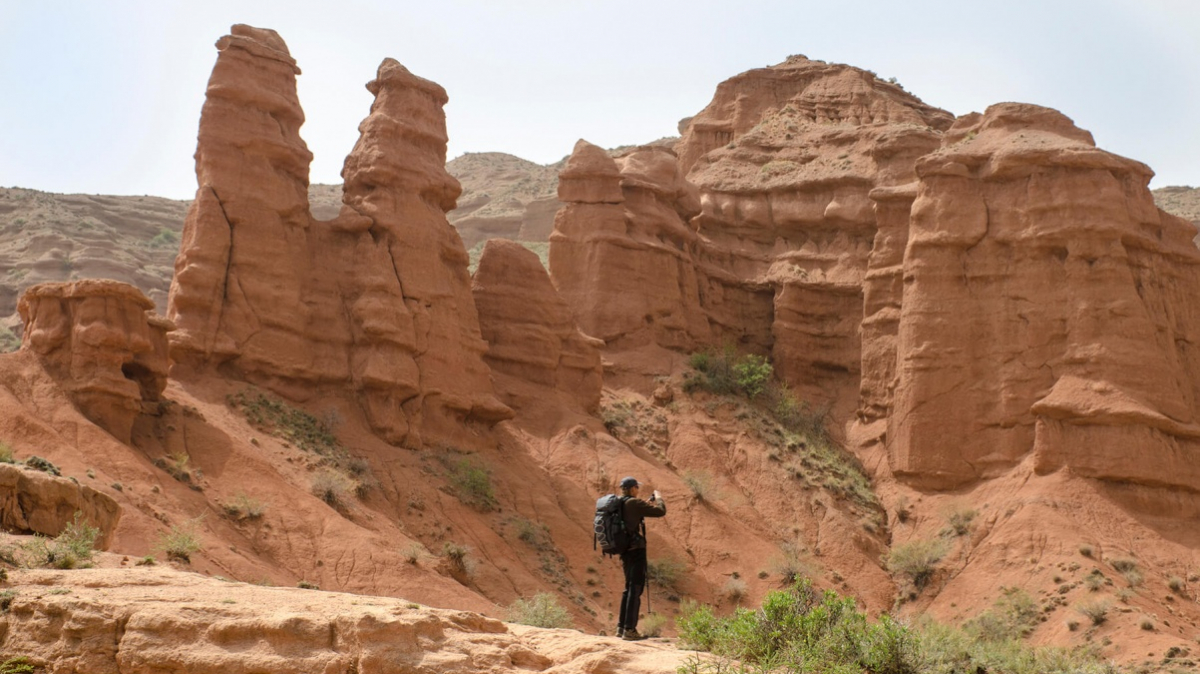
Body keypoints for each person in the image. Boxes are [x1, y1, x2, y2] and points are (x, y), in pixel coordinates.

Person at [616, 476, 666, 641]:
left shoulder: (619, 503)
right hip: (636, 550)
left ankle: (621, 627)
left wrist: (646, 502)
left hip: (624, 550)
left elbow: (632, 516)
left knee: (628, 588)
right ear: (632, 489)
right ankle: (630, 631)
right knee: (635, 589)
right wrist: (658, 498)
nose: (638, 490)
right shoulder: (633, 503)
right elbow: (660, 511)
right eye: (637, 487)